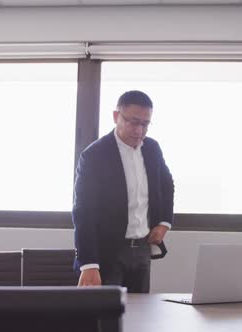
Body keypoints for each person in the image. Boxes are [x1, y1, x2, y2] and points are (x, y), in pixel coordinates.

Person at [72, 90, 174, 293]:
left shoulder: (152, 148)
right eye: (133, 122)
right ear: (116, 116)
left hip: (143, 249)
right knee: (107, 318)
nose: (139, 130)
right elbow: (83, 211)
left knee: (140, 317)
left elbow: (166, 184)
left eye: (145, 124)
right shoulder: (94, 155)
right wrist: (89, 264)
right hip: (108, 252)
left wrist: (164, 223)